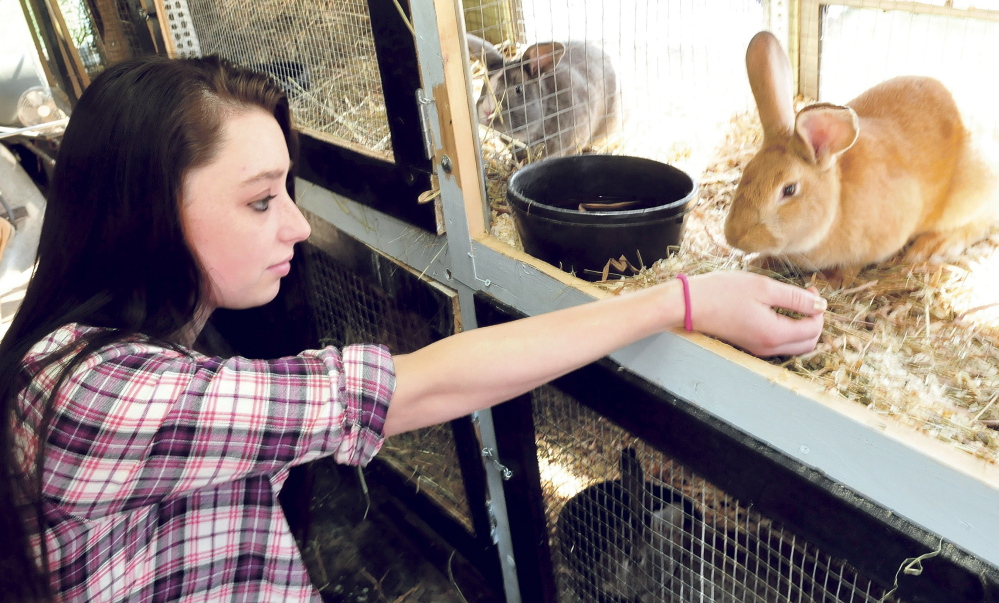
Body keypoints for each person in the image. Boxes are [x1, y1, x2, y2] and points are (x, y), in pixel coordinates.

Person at [0, 54, 826, 602]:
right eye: (260, 200)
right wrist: (678, 301)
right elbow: (418, 386)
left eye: (286, 192)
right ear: (145, 211)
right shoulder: (104, 397)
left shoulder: (115, 346)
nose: (294, 226)